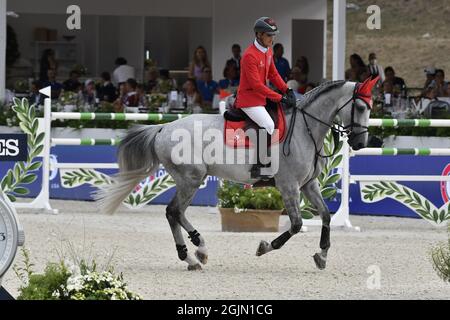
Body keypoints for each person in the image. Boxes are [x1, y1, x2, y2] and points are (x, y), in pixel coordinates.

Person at [235, 16, 296, 178]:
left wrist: (287, 89)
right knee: (269, 124)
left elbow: (273, 74)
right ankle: (259, 165)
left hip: (260, 98)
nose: (272, 39)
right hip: (248, 100)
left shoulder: (268, 51)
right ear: (259, 35)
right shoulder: (249, 56)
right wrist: (279, 97)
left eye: (273, 35)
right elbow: (256, 86)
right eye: (269, 35)